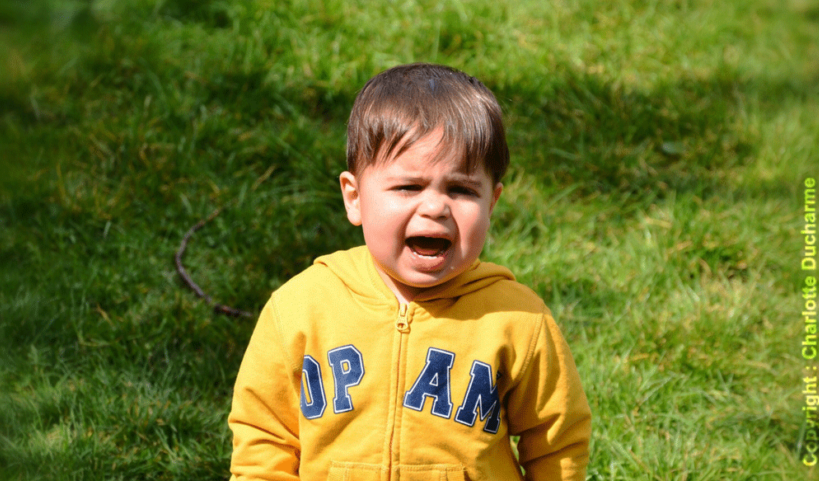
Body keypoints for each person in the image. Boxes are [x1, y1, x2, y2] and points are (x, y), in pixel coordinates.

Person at [227, 63, 592, 481]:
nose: (436, 207)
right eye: (408, 187)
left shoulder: (517, 320)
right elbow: (264, 436)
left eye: (461, 190)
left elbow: (557, 443)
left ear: (491, 203)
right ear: (355, 198)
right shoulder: (300, 307)